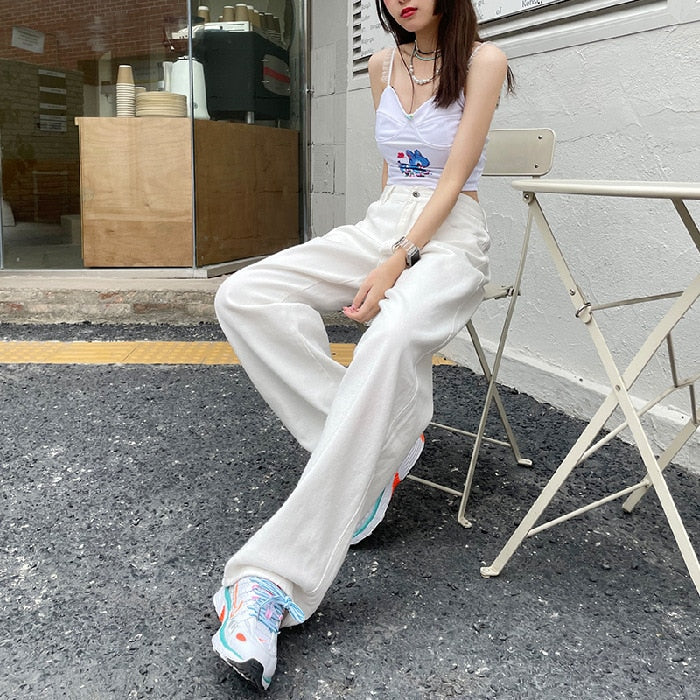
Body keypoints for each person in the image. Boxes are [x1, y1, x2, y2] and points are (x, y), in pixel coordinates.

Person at [211, 0, 513, 691]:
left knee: (391, 337)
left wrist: (397, 262)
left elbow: (452, 179)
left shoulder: (484, 62)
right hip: (385, 222)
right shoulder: (382, 63)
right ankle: (378, 451)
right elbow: (393, 176)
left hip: (450, 235)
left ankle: (270, 581)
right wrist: (379, 249)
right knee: (245, 295)